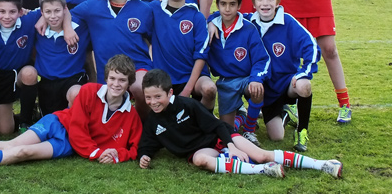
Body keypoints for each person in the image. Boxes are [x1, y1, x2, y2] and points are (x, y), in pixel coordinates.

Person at [0, 54, 142, 171]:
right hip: (57, 123)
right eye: (112, 78)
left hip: (68, 145)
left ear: (129, 83)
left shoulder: (130, 115)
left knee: (22, 153)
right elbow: (76, 127)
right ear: (106, 78)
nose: (116, 84)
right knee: (12, 144)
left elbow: (134, 149)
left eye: (122, 80)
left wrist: (115, 156)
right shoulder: (89, 91)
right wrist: (96, 153)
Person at [137, 68, 343, 179]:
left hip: (220, 137)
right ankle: (263, 170)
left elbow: (217, 125)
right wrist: (144, 156)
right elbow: (147, 143)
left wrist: (231, 145)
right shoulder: (154, 121)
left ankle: (323, 164)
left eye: (158, 97)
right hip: (200, 151)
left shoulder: (188, 105)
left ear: (170, 93)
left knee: (261, 154)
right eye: (148, 98)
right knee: (200, 160)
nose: (153, 102)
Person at [69, 0, 153, 117]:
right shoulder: (93, 5)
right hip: (107, 73)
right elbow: (67, 14)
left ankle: (141, 122)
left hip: (137, 66)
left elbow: (151, 40)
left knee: (140, 88)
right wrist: (67, 28)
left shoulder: (143, 9)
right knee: (106, 116)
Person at [247, 0, 319, 152]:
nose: (265, 3)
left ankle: (302, 131)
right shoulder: (249, 22)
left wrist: (303, 73)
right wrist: (212, 22)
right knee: (277, 137)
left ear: (277, 2)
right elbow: (223, 16)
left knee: (304, 85)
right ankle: (285, 113)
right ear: (254, 4)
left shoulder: (288, 22)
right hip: (265, 89)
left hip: (287, 83)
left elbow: (312, 46)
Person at [207, 0, 270, 147]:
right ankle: (242, 114)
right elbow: (205, 19)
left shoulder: (249, 29)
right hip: (226, 82)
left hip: (246, 78)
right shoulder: (211, 26)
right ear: (217, 5)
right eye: (223, 4)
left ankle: (249, 130)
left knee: (256, 90)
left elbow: (262, 59)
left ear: (239, 5)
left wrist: (256, 79)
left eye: (232, 4)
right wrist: (210, 21)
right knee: (228, 130)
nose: (227, 9)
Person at [150, 0, 215, 111]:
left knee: (209, 88)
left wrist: (188, 89)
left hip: (192, 76)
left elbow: (201, 55)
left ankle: (205, 122)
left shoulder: (196, 16)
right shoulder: (154, 9)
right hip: (165, 77)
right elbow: (128, 5)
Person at [0, 0, 41, 134]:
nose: (7, 16)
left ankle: (25, 121)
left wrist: (48, 18)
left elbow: (54, 6)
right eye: (2, 11)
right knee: (5, 130)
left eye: (12, 12)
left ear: (20, 12)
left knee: (30, 73)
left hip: (20, 73)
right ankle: (29, 114)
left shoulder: (28, 20)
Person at [34, 0, 90, 115]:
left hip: (73, 79)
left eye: (57, 11)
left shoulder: (80, 24)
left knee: (77, 94)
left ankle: (77, 128)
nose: (53, 16)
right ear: (41, 12)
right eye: (48, 12)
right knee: (52, 122)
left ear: (65, 9)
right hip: (47, 83)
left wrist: (68, 26)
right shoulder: (37, 26)